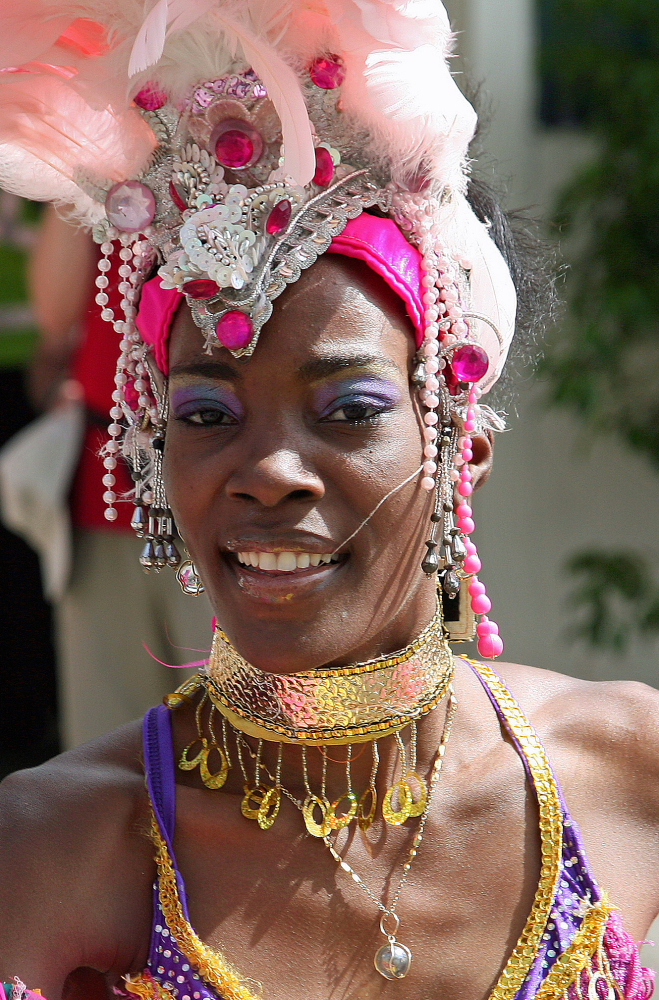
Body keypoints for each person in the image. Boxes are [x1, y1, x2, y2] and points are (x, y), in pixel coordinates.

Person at [0, 3, 658, 1000]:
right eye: (208, 412)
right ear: (153, 447)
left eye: (345, 409)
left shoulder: (624, 770)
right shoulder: (50, 847)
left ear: (459, 445)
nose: (268, 469)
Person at [27, 206, 211, 748]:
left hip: (226, 489)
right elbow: (54, 316)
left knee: (239, 743)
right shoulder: (99, 177)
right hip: (106, 486)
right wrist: (72, 177)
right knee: (107, 746)